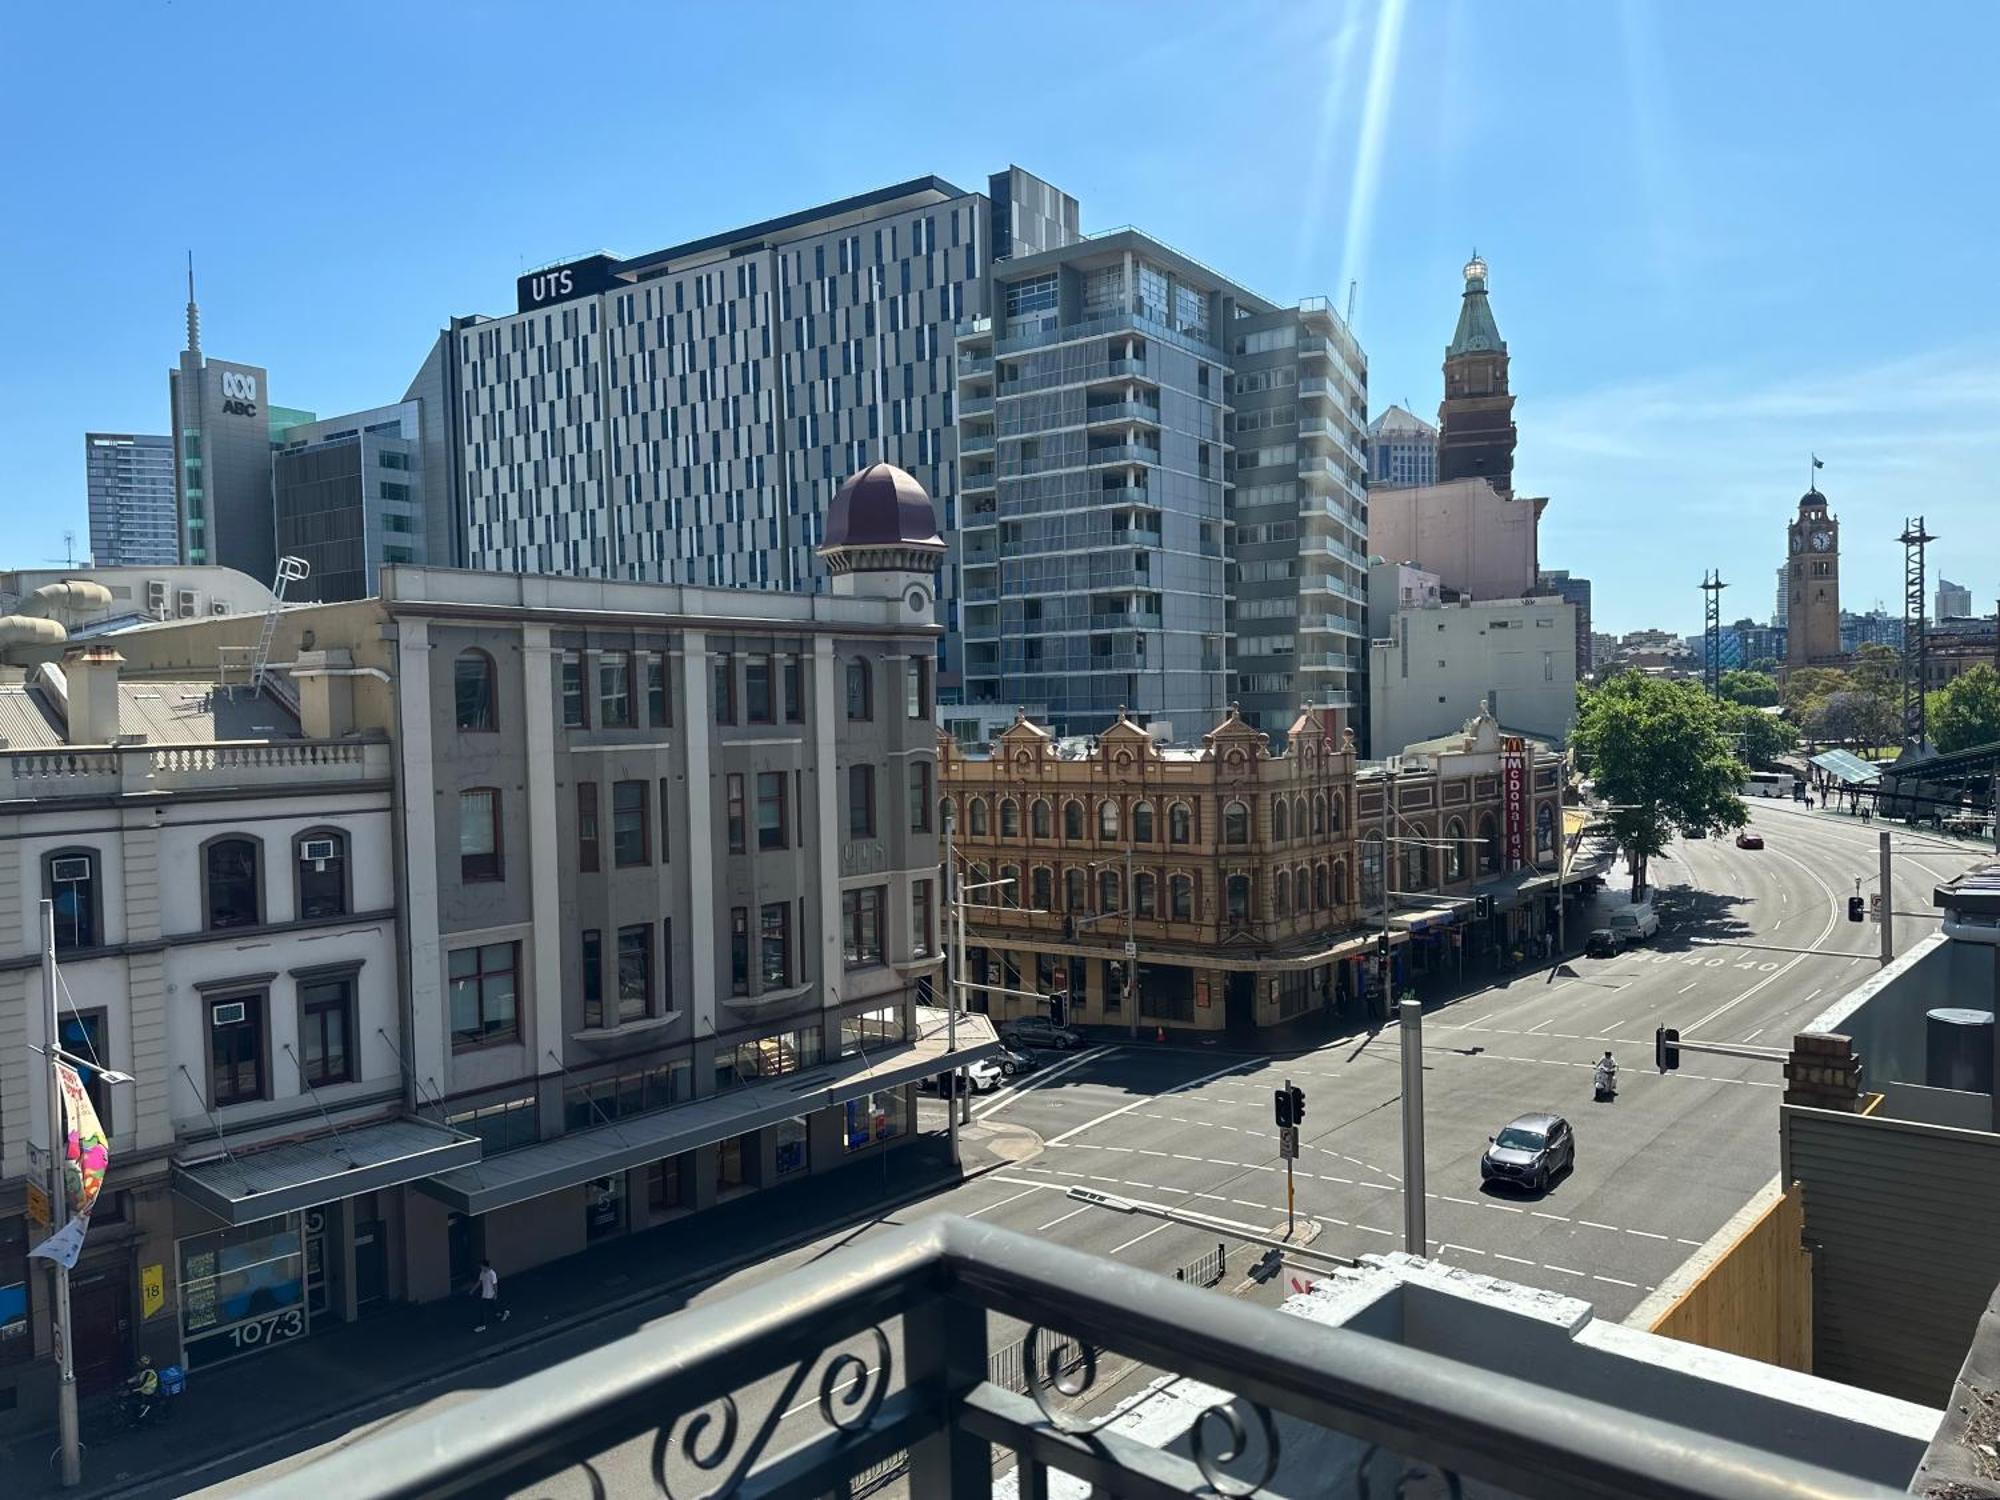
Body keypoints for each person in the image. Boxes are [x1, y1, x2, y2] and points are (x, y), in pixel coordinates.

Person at [472, 1258, 509, 1332]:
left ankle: (482, 1325)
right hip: (485, 1295)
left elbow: (495, 1285)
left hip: (490, 1295)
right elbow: (479, 1282)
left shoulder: (492, 1274)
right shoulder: (482, 1273)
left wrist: (495, 1294)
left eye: (481, 1266)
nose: (480, 1267)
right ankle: (505, 1312)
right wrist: (472, 1290)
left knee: (484, 1309)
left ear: (485, 1266)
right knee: (493, 1308)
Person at [126, 1355, 160, 1424]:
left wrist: (131, 1390)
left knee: (139, 1404)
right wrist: (126, 1382)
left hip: (148, 1391)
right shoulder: (143, 1371)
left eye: (141, 1363)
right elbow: (137, 1378)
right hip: (143, 1390)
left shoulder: (149, 1373)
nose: (139, 1364)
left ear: (145, 1364)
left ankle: (141, 1417)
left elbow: (142, 1385)